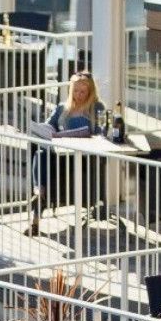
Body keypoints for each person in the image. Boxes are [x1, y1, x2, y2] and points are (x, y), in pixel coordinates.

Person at [28, 72, 102, 237]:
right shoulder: (62, 107)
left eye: (83, 92)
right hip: (58, 155)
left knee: (43, 157)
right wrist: (42, 129)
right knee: (40, 153)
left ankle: (39, 197)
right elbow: (50, 126)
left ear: (90, 92)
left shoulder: (96, 108)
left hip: (81, 157)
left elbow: (99, 132)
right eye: (75, 91)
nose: (78, 95)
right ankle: (38, 196)